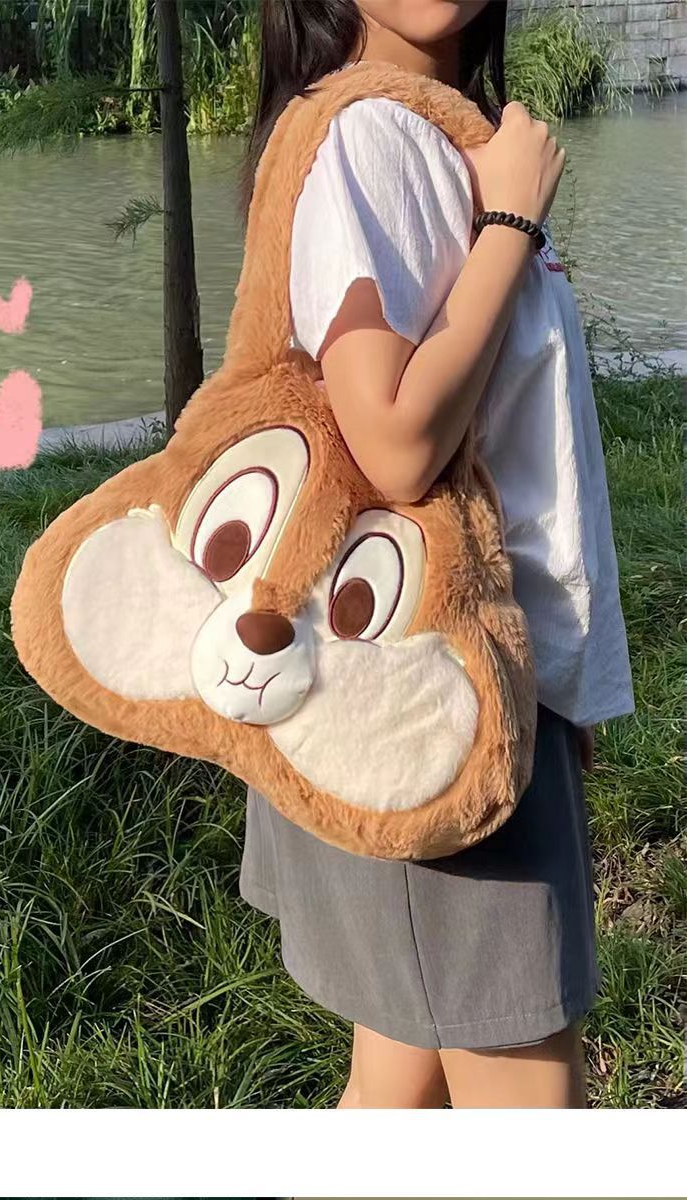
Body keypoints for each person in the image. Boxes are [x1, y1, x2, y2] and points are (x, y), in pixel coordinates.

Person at [238, 0, 634, 1108]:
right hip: (432, 696)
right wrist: (506, 223)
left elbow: (512, 443)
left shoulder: (436, 131)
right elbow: (398, 442)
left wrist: (558, 684)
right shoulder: (371, 137)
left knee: (396, 1087)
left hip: (459, 682)